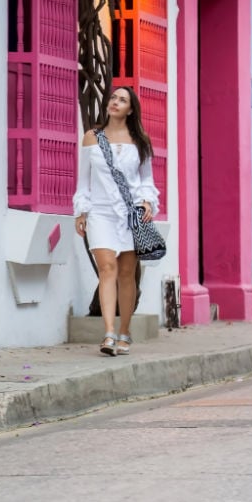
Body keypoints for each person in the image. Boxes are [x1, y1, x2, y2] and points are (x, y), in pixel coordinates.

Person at [73, 86, 159, 356]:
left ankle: (125, 331)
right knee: (107, 268)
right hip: (99, 212)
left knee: (125, 273)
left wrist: (146, 201)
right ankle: (109, 333)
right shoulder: (91, 138)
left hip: (129, 213)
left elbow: (146, 180)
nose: (115, 102)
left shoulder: (140, 140)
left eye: (122, 100)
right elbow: (83, 180)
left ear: (131, 109)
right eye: (113, 98)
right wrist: (81, 212)